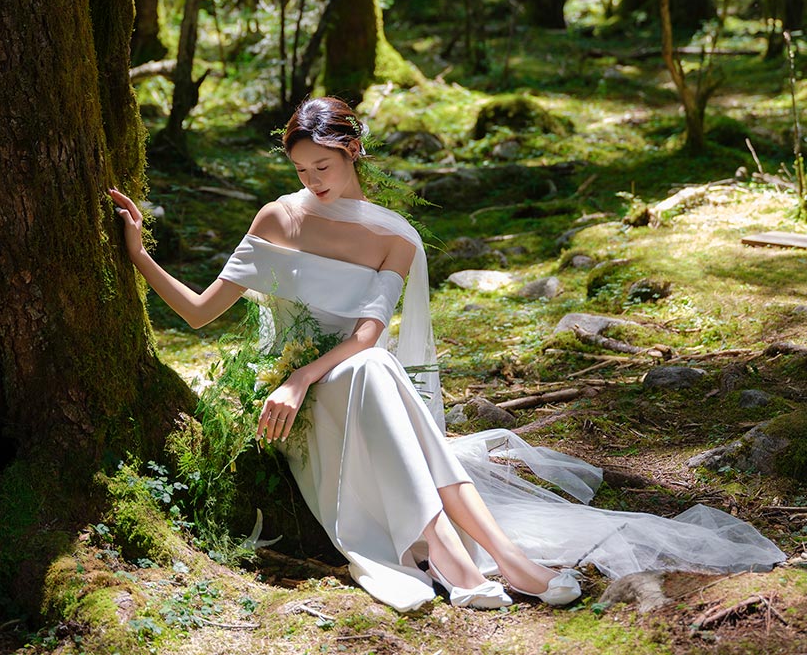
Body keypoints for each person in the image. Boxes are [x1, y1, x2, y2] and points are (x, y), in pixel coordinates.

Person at [110, 97, 784, 613]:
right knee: (372, 371)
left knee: (371, 364)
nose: (312, 181)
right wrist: (139, 254)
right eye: (300, 170)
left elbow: (366, 337)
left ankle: (476, 562)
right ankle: (487, 561)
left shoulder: (394, 238)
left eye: (323, 166)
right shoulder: (278, 219)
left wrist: (305, 376)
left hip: (346, 382)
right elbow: (199, 312)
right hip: (303, 412)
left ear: (353, 152)